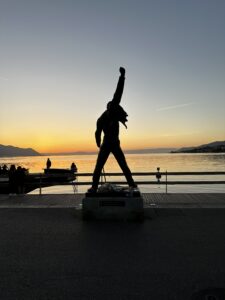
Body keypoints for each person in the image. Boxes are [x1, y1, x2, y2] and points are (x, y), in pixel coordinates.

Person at [88, 67, 136, 193]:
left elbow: (118, 92)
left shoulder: (114, 110)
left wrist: (122, 76)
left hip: (115, 143)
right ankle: (94, 186)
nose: (113, 110)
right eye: (110, 108)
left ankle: (132, 184)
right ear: (107, 109)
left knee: (123, 165)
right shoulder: (101, 119)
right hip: (106, 144)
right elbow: (97, 131)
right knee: (98, 166)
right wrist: (98, 143)